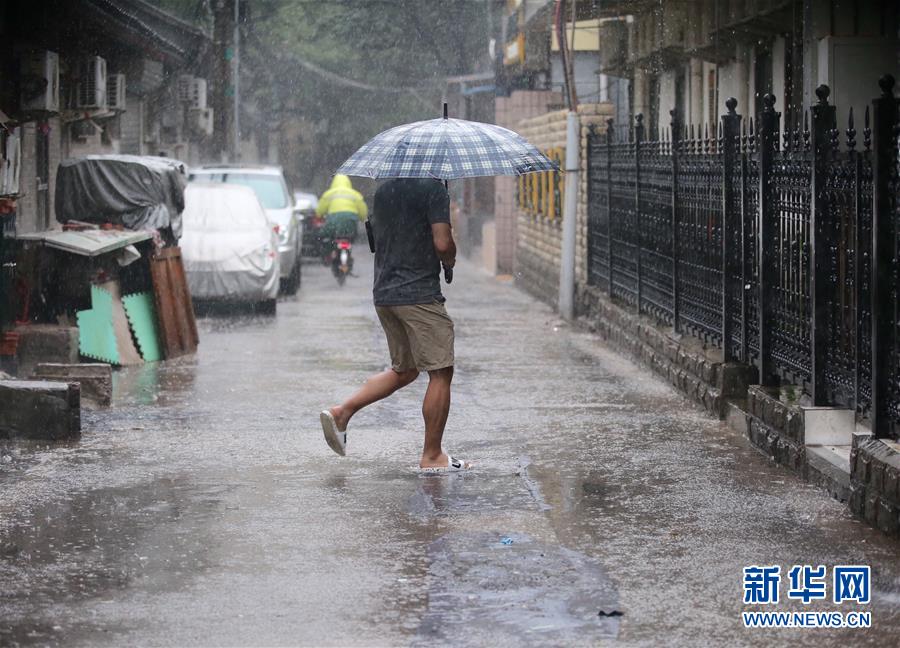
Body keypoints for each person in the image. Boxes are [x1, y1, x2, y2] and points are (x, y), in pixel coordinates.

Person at [320, 178, 468, 471]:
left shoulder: (385, 191)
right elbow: (442, 243)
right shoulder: (434, 189)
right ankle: (433, 455)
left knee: (405, 370)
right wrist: (449, 257)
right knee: (441, 371)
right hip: (419, 295)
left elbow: (379, 238)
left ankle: (342, 412)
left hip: (386, 293)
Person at [315, 174, 367, 255]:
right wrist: (361, 218)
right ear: (348, 183)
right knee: (351, 237)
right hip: (351, 222)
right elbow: (363, 213)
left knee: (323, 236)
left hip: (333, 222)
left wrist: (320, 217)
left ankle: (328, 254)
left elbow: (319, 212)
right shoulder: (355, 195)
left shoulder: (328, 194)